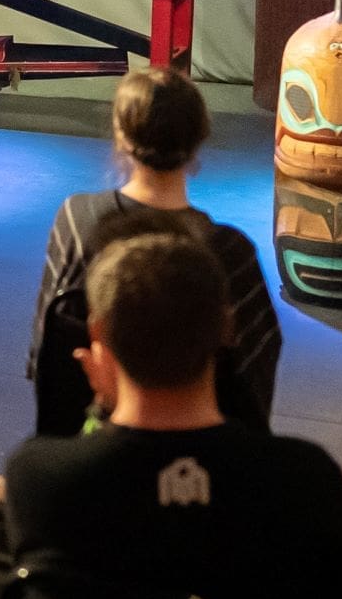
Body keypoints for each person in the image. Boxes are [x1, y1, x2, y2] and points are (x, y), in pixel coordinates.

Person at [0, 236, 342, 599]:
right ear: (228, 330)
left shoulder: (40, 474)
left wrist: (100, 407)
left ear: (97, 337)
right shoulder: (306, 477)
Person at [29, 70, 280, 424]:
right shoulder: (231, 253)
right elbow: (254, 376)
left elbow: (50, 354)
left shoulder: (79, 221)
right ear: (199, 138)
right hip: (209, 458)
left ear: (121, 135)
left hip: (96, 446)